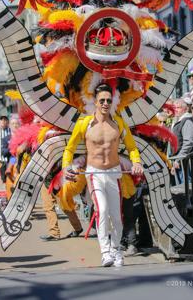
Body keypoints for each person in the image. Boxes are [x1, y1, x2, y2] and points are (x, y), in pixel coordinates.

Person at [62, 83, 143, 267]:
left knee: (116, 216)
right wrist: (67, 165)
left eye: (108, 100)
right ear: (95, 102)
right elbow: (70, 148)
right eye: (102, 100)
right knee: (102, 210)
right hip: (94, 174)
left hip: (115, 173)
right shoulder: (84, 124)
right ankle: (105, 252)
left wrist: (136, 162)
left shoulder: (119, 123)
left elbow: (131, 147)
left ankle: (116, 251)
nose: (105, 103)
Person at [171, 99, 193, 180]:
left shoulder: (187, 121)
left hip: (185, 161)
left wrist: (178, 160)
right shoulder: (178, 120)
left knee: (187, 187)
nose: (176, 110)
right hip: (179, 161)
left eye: (178, 107)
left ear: (185, 109)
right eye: (174, 107)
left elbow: (188, 142)